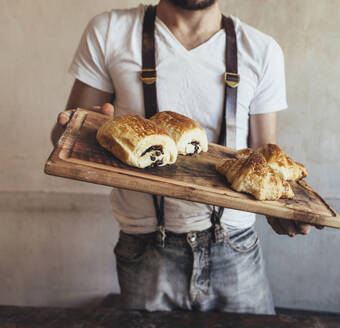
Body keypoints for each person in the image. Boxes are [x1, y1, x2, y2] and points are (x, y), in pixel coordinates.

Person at [54, 0, 320, 314]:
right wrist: (90, 131)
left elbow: (265, 155)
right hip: (144, 245)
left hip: (236, 246)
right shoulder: (111, 31)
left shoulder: (262, 50)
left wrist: (284, 210)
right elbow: (63, 140)